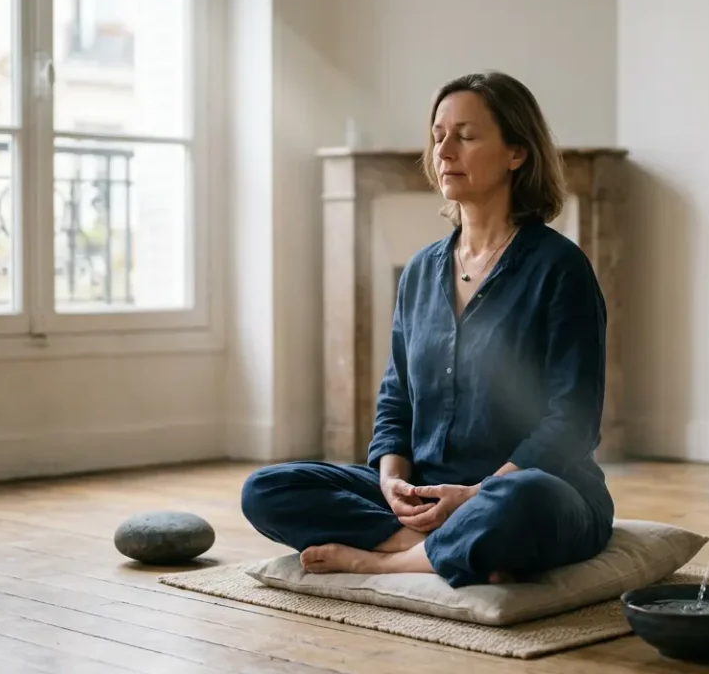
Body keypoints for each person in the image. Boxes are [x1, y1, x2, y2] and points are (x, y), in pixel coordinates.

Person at [240, 70, 615, 588]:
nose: (444, 150)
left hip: (529, 489)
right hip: (425, 492)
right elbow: (397, 397)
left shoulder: (560, 267)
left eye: (466, 135)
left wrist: (476, 495)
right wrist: (393, 480)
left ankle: (387, 561)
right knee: (266, 488)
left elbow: (572, 421)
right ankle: (434, 548)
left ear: (516, 153)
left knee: (526, 503)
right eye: (438, 135)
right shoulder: (421, 271)